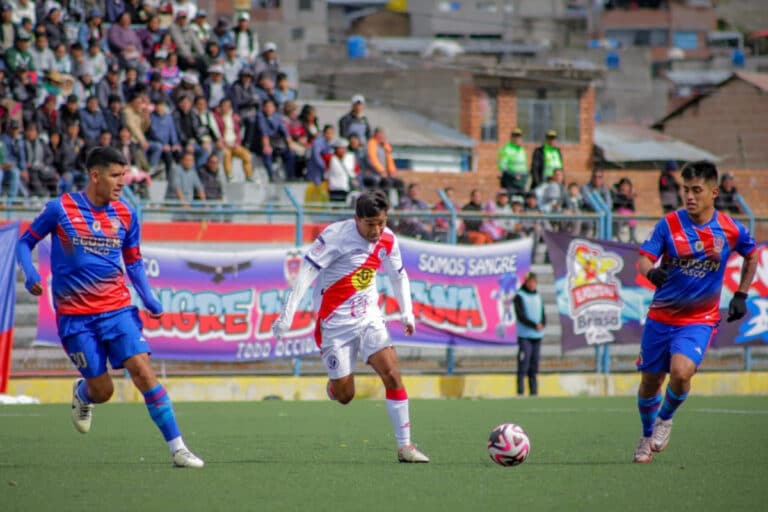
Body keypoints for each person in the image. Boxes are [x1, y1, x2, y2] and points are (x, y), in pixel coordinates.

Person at [15, 146, 204, 468]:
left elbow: (133, 261)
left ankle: (178, 448)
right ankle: (84, 393)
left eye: (124, 176)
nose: (121, 183)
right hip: (76, 318)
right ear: (95, 175)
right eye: (115, 176)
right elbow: (24, 243)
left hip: (117, 309)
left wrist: (147, 297)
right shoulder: (61, 208)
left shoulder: (126, 214)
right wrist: (30, 273)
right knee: (103, 391)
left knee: (143, 372)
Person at [272, 190, 430, 464]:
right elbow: (306, 273)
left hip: (369, 318)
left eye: (381, 222)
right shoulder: (335, 236)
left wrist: (407, 313)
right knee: (345, 396)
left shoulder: (388, 239)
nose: (377, 230)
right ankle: (334, 387)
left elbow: (398, 275)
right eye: (371, 224)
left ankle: (405, 447)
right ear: (357, 219)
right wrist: (287, 314)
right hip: (334, 325)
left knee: (392, 374)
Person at [632, 160, 757, 464]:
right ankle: (647, 435)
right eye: (685, 189)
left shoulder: (729, 229)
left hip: (698, 320)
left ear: (714, 192)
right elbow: (643, 260)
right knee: (650, 382)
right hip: (661, 317)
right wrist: (652, 274)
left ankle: (665, 418)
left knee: (681, 371)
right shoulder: (669, 224)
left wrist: (741, 293)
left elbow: (751, 255)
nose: (689, 196)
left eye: (696, 190)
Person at [513, 272, 544, 396]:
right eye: (530, 282)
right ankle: (520, 392)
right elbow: (521, 316)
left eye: (534, 282)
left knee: (534, 364)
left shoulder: (538, 296)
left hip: (537, 336)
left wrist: (542, 323)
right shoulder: (519, 296)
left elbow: (542, 313)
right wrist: (533, 325)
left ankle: (534, 392)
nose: (532, 284)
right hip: (525, 335)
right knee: (523, 364)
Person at [498, 128, 528, 196]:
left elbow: (524, 166)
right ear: (511, 137)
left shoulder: (522, 150)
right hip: (510, 181)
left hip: (521, 181)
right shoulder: (505, 149)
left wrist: (525, 177)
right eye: (515, 136)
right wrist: (513, 174)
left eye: (519, 137)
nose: (517, 138)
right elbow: (502, 166)